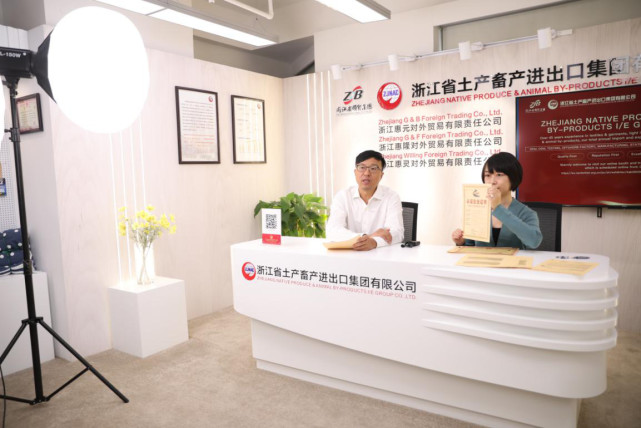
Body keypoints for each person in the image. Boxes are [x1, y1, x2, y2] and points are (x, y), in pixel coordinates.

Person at [451, 152, 542, 249]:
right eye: (488, 175)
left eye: (499, 174)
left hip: (513, 259)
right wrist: (461, 242)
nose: (492, 181)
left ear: (513, 178)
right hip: (481, 259)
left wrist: (498, 208)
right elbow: (470, 245)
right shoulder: (478, 207)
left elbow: (534, 241)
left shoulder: (526, 213)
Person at [327, 150, 404, 251]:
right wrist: (366, 237)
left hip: (381, 256)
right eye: (362, 168)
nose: (367, 173)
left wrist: (374, 242)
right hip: (349, 255)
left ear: (381, 175)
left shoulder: (391, 197)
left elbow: (397, 233)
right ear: (355, 172)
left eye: (373, 168)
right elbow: (333, 230)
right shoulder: (343, 196)